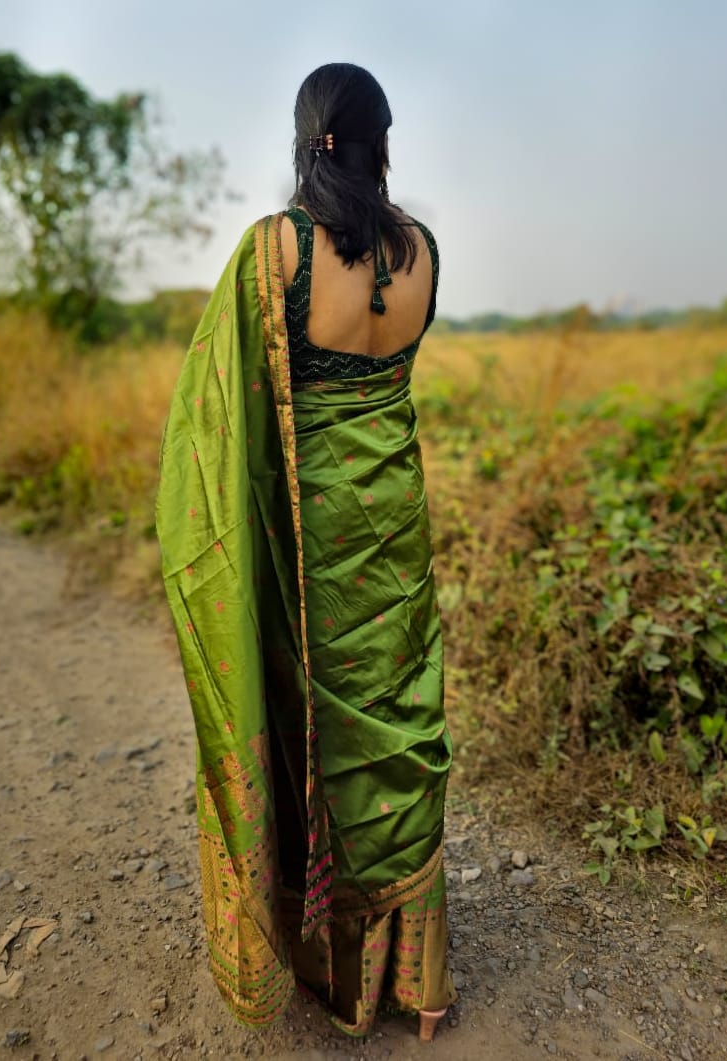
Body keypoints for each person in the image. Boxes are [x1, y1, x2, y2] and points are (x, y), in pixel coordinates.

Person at [156, 62, 455, 1043]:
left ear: (305, 138)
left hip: (315, 538)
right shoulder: (424, 255)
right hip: (394, 531)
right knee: (398, 727)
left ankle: (334, 964)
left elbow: (215, 418)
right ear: (381, 140)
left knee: (324, 733)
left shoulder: (272, 250)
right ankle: (411, 978)